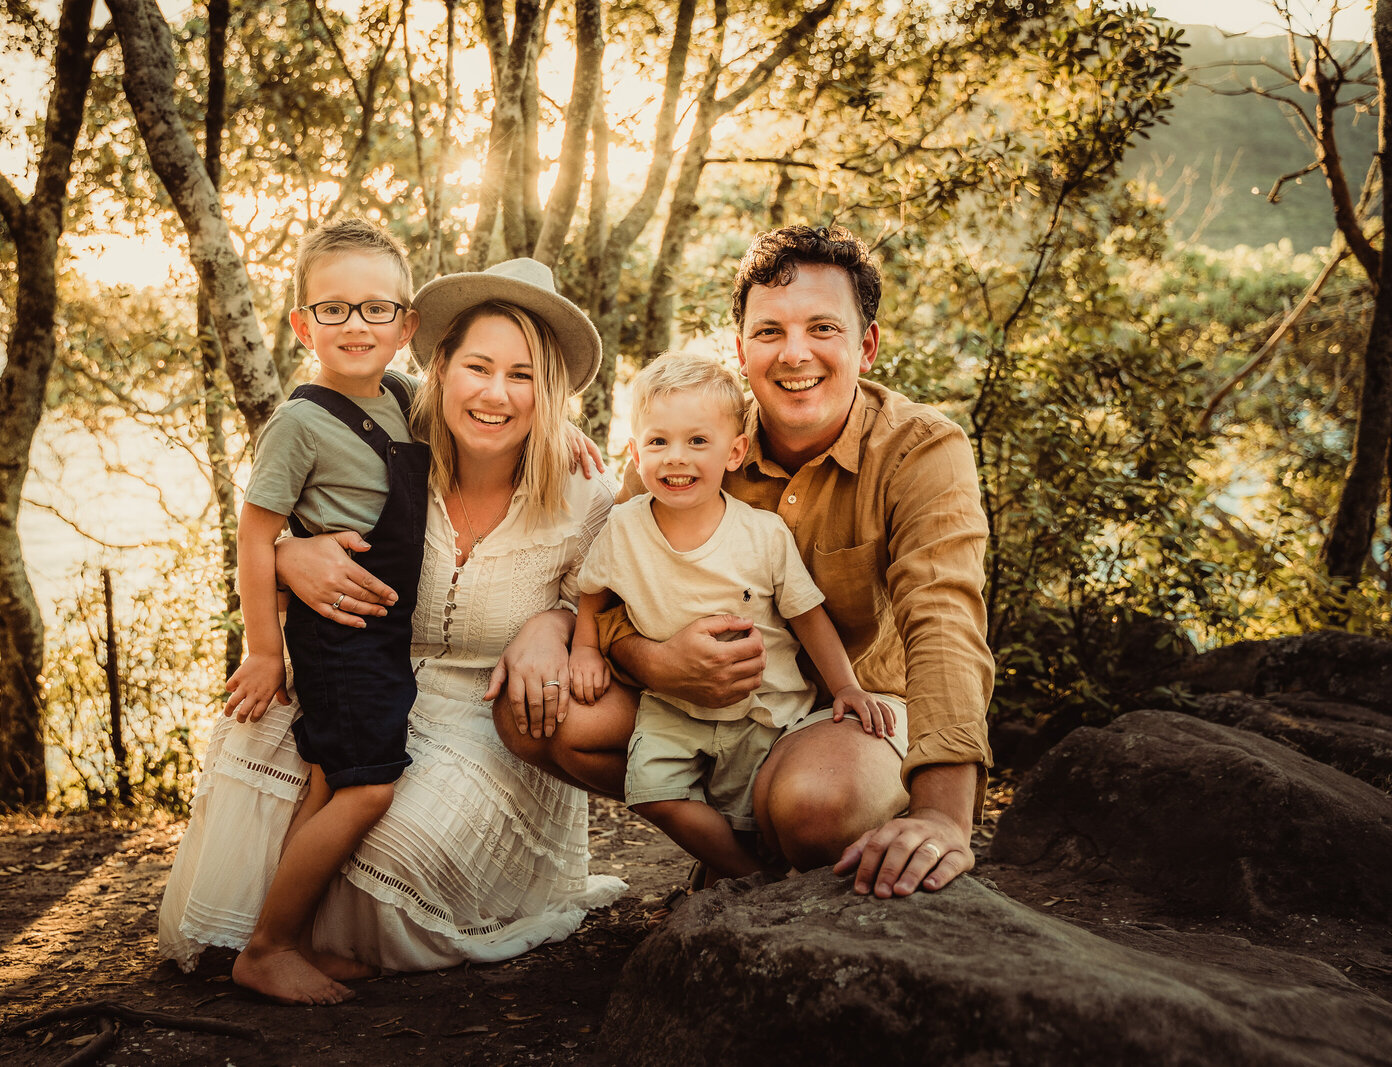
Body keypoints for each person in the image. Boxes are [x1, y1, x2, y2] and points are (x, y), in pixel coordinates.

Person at [159, 256, 628, 992]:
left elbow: (609, 605)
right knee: (261, 736)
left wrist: (555, 621)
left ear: (552, 391)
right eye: (478, 367)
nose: (496, 395)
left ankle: (296, 934)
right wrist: (288, 557)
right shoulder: (401, 442)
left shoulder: (585, 492)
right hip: (379, 676)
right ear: (439, 366)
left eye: (524, 375)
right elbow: (287, 518)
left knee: (391, 843)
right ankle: (267, 938)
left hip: (487, 709)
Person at [501, 224, 995, 900]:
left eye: (823, 328)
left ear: (867, 346)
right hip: (713, 707)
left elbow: (945, 620)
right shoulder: (689, 445)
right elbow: (610, 587)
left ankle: (823, 821)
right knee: (541, 711)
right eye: (770, 332)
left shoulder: (921, 450)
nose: (795, 354)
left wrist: (944, 812)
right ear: (742, 349)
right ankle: (740, 858)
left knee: (814, 804)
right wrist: (651, 659)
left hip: (859, 709)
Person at [568, 353, 894, 879]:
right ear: (635, 451)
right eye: (658, 442)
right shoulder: (625, 526)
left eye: (698, 442)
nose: (676, 458)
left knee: (763, 813)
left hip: (764, 707)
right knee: (650, 792)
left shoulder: (761, 534)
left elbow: (807, 616)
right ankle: (743, 876)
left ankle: (761, 869)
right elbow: (594, 592)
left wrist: (848, 687)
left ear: (735, 451)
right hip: (671, 704)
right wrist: (585, 648)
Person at [217, 217, 426, 1005]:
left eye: (377, 308)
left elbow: (494, 415)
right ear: (303, 323)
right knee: (368, 787)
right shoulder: (299, 423)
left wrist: (567, 437)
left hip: (384, 632)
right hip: (339, 638)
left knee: (325, 782)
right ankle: (265, 948)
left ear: (406, 325)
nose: (356, 325)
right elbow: (255, 536)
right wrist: (265, 651)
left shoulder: (407, 396)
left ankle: (294, 934)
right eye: (333, 309)